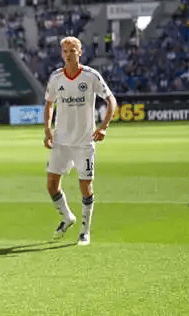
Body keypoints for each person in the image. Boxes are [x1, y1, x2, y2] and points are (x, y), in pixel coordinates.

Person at [43, 36, 116, 246]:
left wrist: (104, 127)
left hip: (84, 142)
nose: (68, 55)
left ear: (80, 52)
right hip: (61, 142)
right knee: (51, 185)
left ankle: (85, 231)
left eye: (72, 51)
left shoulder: (91, 76)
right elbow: (49, 104)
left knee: (86, 187)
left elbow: (111, 100)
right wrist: (47, 129)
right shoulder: (56, 77)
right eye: (65, 51)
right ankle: (67, 217)